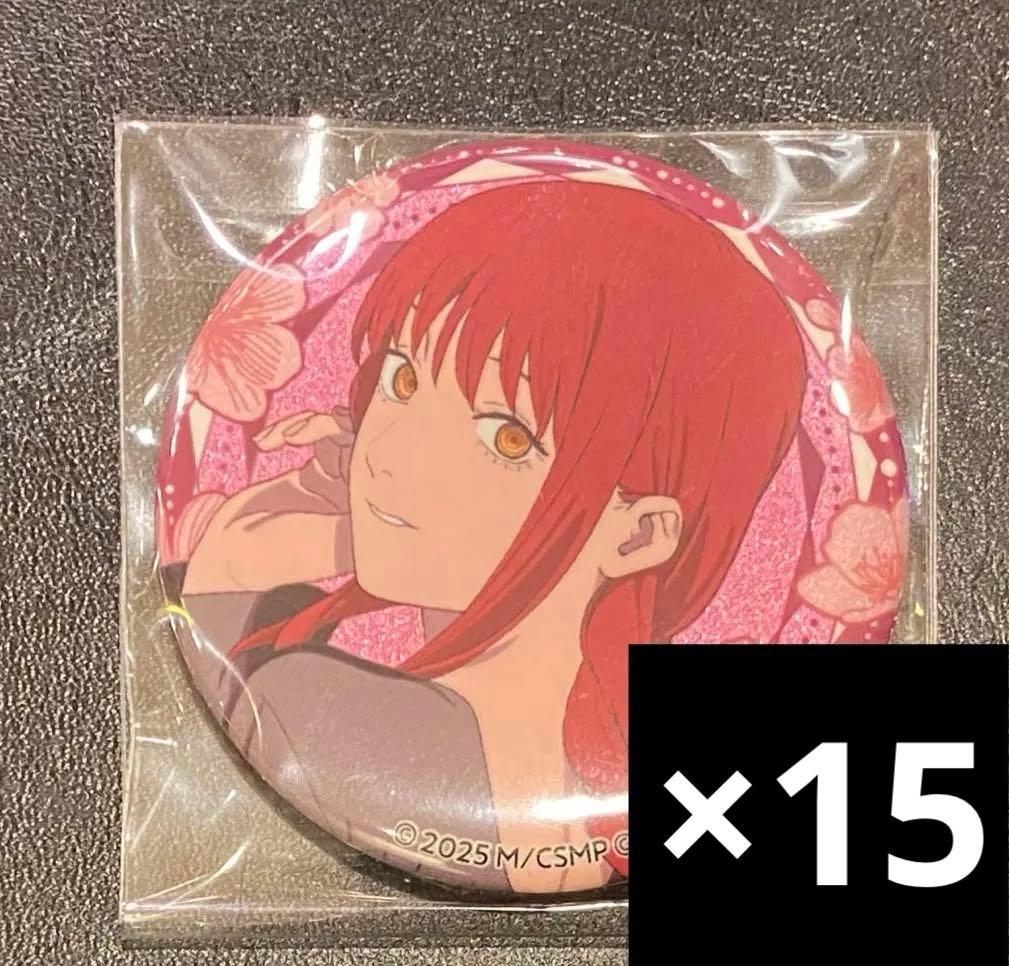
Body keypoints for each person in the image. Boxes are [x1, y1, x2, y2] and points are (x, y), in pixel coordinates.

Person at [181, 179, 806, 893]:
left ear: (638, 536)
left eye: (507, 437)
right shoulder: (675, 777)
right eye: (402, 378)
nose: (387, 453)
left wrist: (227, 572)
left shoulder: (324, 709)